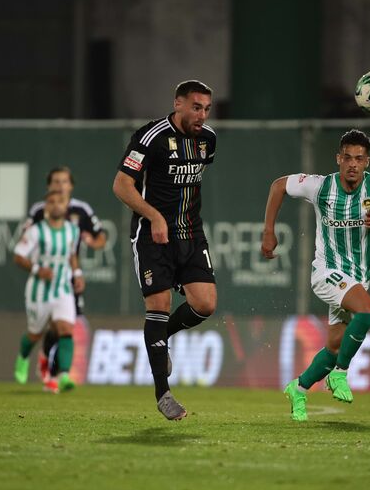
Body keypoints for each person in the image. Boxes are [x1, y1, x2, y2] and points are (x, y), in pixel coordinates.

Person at [261, 129, 370, 421]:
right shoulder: (320, 186)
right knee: (369, 310)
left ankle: (298, 388)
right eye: (347, 157)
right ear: (338, 159)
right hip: (326, 273)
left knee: (336, 347)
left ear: (367, 162)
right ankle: (340, 374)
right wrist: (268, 231)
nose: (353, 163)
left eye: (359, 158)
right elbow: (277, 186)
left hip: (357, 278)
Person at [112, 80, 218, 420]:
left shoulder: (208, 141)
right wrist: (155, 216)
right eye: (196, 107)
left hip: (190, 234)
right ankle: (163, 393)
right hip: (151, 235)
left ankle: (163, 336)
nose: (202, 115)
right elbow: (121, 185)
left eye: (206, 109)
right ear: (178, 104)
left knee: (205, 304)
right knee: (158, 306)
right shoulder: (151, 137)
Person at [24, 167, 108, 390]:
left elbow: (102, 237)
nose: (60, 186)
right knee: (51, 327)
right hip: (44, 277)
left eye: (64, 181)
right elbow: (25, 240)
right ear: (49, 186)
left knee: (66, 326)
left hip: (68, 275)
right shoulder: (39, 211)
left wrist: (93, 242)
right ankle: (47, 362)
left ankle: (55, 374)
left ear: (71, 186)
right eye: (56, 182)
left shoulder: (81, 209)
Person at [12, 188, 85, 393]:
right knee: (35, 334)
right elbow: (18, 256)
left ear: (66, 206)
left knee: (66, 329)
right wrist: (37, 269)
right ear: (46, 207)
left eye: (59, 202)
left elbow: (71, 255)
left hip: (63, 288)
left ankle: (63, 376)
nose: (56, 205)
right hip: (39, 290)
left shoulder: (73, 230)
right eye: (51, 202)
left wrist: (77, 273)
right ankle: (23, 356)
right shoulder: (36, 231)